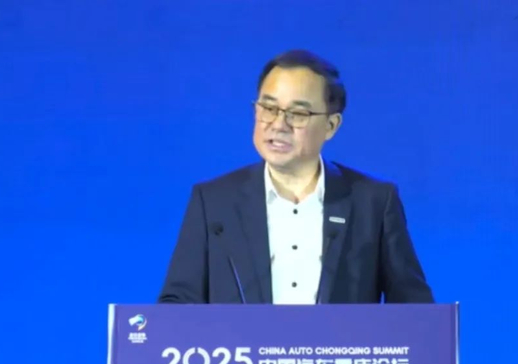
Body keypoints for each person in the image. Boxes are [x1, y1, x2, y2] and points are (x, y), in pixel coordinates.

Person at [157, 49, 434, 304]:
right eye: (269, 108)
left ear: (331, 125)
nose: (279, 124)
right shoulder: (214, 202)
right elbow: (178, 305)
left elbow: (415, 310)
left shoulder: (372, 202)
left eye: (298, 113)